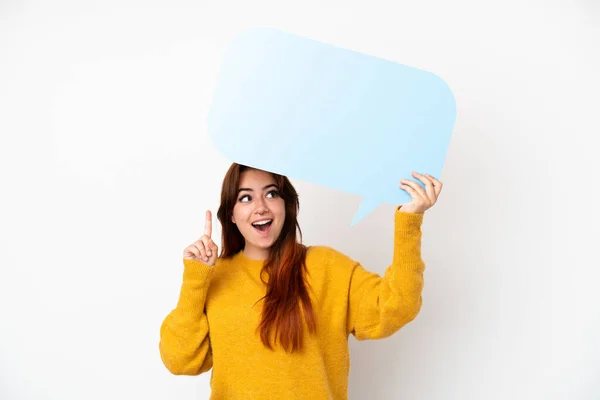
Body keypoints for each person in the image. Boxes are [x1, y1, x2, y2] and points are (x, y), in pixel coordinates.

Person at [159, 162, 443, 399]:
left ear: (287, 204)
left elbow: (397, 306)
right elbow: (180, 359)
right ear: (231, 214)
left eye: (271, 194)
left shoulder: (327, 267)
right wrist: (196, 279)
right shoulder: (215, 277)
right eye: (245, 198)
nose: (260, 207)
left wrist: (409, 221)